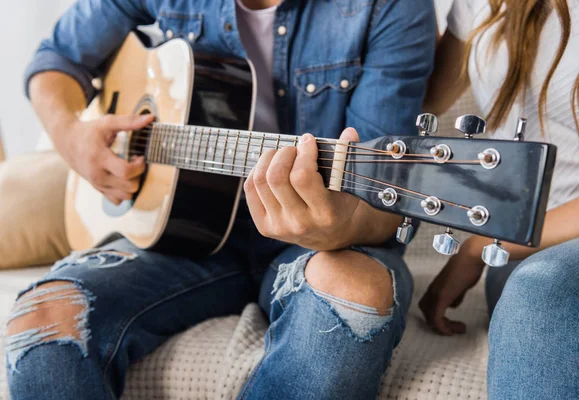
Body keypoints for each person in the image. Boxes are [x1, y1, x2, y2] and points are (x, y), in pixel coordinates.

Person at [4, 0, 436, 399]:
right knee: (44, 318)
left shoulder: (390, 5)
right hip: (179, 233)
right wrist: (71, 135)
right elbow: (56, 59)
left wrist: (339, 226)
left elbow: (385, 193)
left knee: (352, 299)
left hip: (321, 243)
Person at [420, 0, 579, 398]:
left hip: (529, 249)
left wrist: (479, 246)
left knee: (540, 293)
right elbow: (424, 98)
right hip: (520, 253)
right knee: (529, 290)